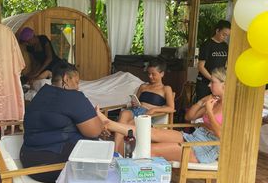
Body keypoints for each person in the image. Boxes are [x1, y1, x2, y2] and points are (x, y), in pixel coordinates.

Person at [97, 67, 226, 164]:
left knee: (151, 150)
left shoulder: (229, 108)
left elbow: (222, 135)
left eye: (212, 82)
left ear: (224, 85)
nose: (209, 85)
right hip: (194, 136)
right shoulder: (214, 102)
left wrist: (208, 111)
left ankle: (141, 180)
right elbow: (189, 117)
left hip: (204, 148)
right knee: (151, 132)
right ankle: (109, 124)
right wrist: (202, 102)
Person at [20, 61, 103, 182]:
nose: (78, 86)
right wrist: (100, 122)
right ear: (66, 79)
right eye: (76, 82)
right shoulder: (73, 97)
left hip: (28, 160)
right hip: (49, 167)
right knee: (97, 145)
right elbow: (94, 131)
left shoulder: (41, 94)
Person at [114, 57, 175, 153]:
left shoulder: (166, 89)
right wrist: (134, 103)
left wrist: (155, 110)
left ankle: (119, 151)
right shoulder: (143, 86)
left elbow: (171, 108)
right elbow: (136, 100)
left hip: (147, 115)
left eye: (153, 74)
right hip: (135, 110)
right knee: (124, 113)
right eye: (149, 73)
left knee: (127, 124)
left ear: (162, 73)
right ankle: (115, 151)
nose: (150, 76)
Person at [196, 20, 230, 101]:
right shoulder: (206, 45)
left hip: (218, 84)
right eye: (223, 34)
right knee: (203, 107)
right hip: (204, 83)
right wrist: (213, 79)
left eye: (227, 36)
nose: (225, 37)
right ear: (217, 30)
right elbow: (200, 67)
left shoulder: (225, 46)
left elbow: (225, 64)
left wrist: (220, 80)